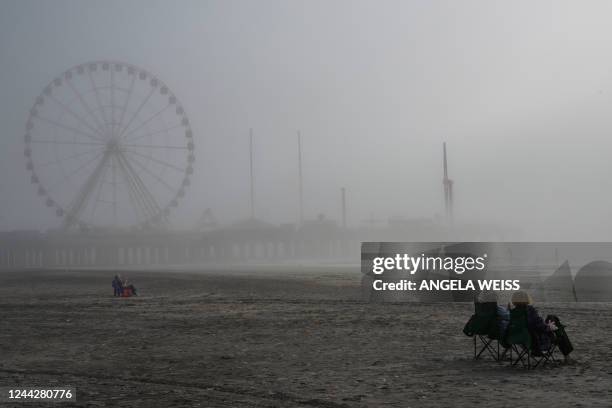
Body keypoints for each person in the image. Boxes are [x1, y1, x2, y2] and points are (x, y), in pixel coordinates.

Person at [510, 291, 574, 363]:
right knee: (559, 330)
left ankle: (567, 355)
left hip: (525, 339)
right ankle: (567, 357)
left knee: (551, 318)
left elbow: (533, 325)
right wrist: (549, 327)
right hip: (539, 341)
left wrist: (548, 326)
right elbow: (539, 326)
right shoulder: (530, 310)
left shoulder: (512, 313)